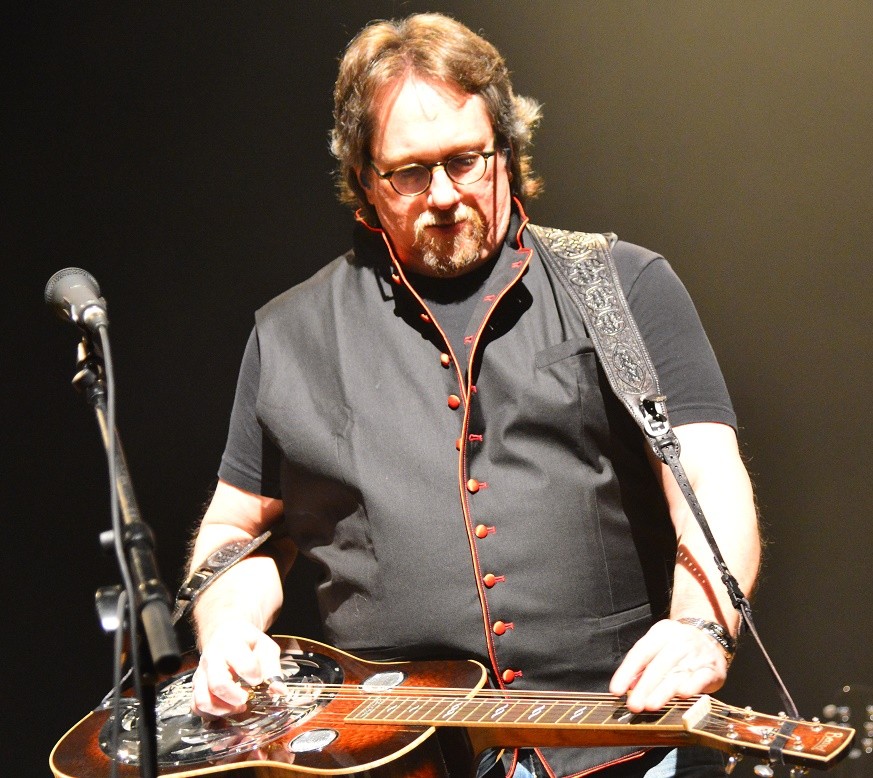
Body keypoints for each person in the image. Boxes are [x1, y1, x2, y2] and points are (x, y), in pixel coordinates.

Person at [185, 13, 760, 778]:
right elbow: (239, 530)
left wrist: (700, 630)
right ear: (362, 178)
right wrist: (225, 628)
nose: (446, 195)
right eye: (410, 173)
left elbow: (711, 481)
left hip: (619, 742)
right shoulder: (289, 334)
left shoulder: (623, 285)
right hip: (397, 757)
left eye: (466, 160)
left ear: (508, 151)